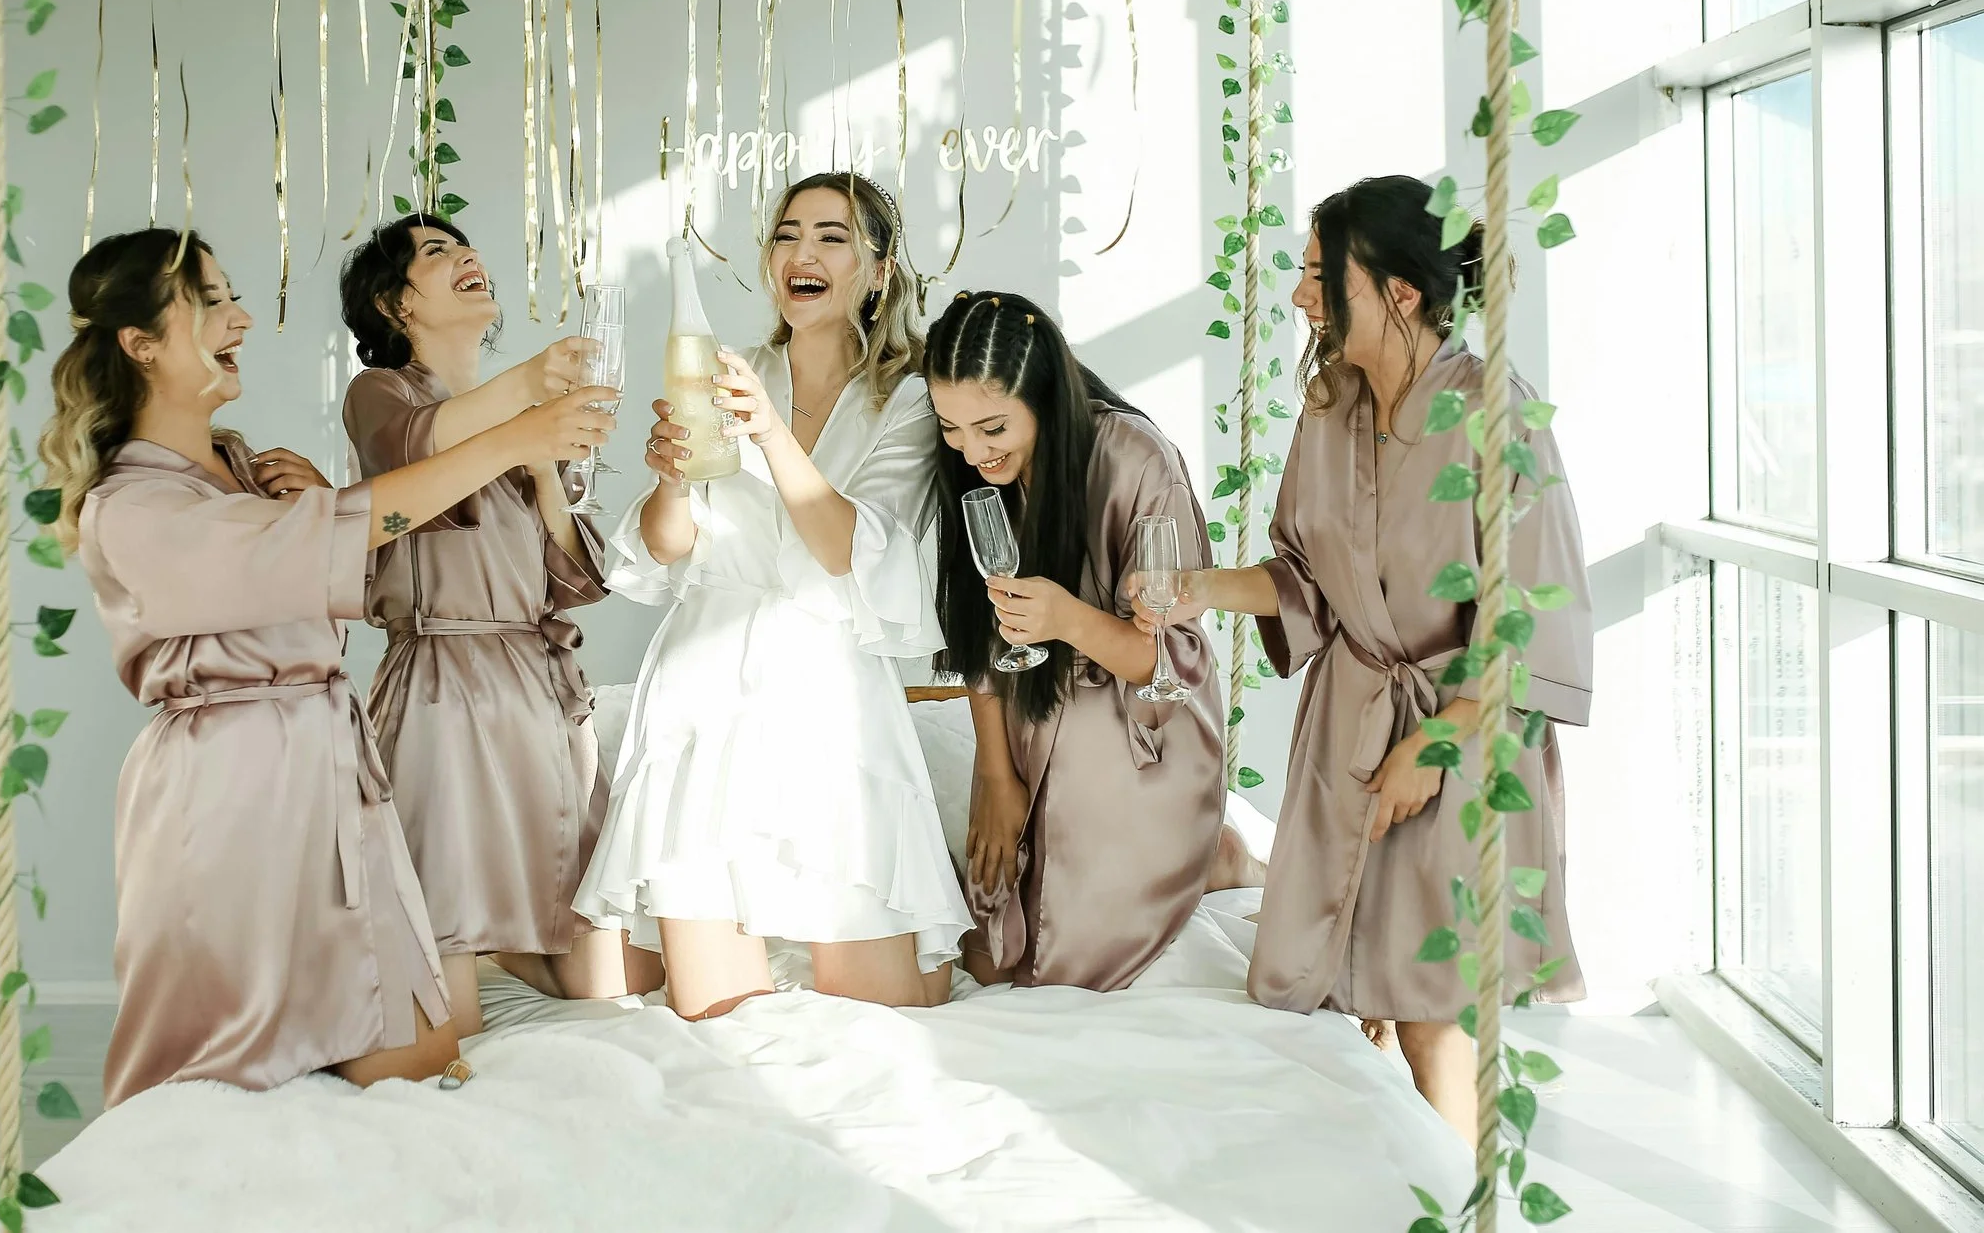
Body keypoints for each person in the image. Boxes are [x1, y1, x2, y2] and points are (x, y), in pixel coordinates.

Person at [38, 228, 614, 1106]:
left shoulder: (245, 471)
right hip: (230, 794)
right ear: (142, 342)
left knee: (421, 1069)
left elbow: (352, 538)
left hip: (338, 779)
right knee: (216, 1082)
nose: (243, 318)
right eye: (216, 301)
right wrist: (512, 432)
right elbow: (341, 533)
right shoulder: (135, 505)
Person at [1136, 175, 1591, 1140]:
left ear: (1399, 292)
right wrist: (1193, 586)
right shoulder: (1331, 406)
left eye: (1317, 275)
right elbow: (1304, 581)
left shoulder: (1494, 415)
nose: (1302, 296)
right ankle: (1390, 1186)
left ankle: (1465, 1200)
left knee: (1433, 1011)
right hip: (1349, 736)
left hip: (1465, 742)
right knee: (1348, 992)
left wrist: (1429, 753)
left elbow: (1531, 623)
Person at [579, 173, 971, 1018]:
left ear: (878, 268)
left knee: (889, 1010)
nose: (802, 252)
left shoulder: (906, 400)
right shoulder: (727, 371)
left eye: (833, 237)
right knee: (722, 1019)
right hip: (704, 695)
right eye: (788, 233)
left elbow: (851, 551)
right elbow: (663, 552)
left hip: (833, 703)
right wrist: (672, 481)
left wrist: (768, 431)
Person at [339, 215, 663, 1038]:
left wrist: (549, 463)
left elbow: (573, 579)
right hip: (447, 691)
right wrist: (525, 408)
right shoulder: (381, 395)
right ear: (393, 302)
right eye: (436, 253)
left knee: (616, 977)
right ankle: (460, 951)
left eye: (466, 245)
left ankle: (507, 946)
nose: (467, 257)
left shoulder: (531, 416)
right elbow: (413, 457)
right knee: (447, 1008)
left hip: (541, 694)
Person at [924, 291, 1232, 991]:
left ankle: (1212, 854)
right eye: (951, 427)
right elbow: (977, 636)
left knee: (1068, 963)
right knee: (987, 945)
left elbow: (1170, 667)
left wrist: (1067, 619)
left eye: (993, 426)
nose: (972, 450)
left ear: (1041, 392)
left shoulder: (1135, 460)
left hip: (1141, 734)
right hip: (1031, 722)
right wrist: (998, 775)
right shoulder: (973, 475)